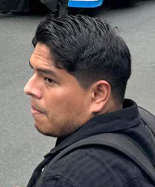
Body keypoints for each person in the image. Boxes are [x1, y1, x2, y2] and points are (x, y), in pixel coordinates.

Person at [23, 14, 155, 187]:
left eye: (49, 79)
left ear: (98, 94)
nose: (29, 88)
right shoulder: (144, 125)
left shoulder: (66, 178)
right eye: (34, 72)